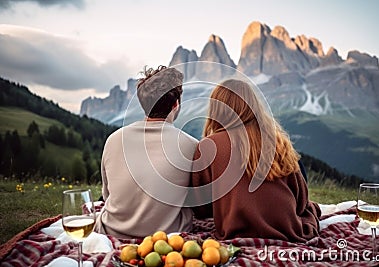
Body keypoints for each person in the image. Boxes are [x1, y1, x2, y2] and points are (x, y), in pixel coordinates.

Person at [191, 79, 320, 242]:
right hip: (288, 229)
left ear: (216, 110)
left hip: (236, 232)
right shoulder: (276, 141)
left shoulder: (209, 146)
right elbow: (301, 200)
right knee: (311, 207)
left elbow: (201, 209)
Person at [94, 65, 198, 239]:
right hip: (167, 237)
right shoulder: (192, 145)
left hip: (112, 232)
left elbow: (106, 195)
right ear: (176, 104)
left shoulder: (113, 139)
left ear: (144, 104)